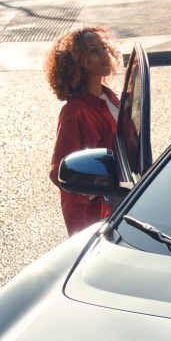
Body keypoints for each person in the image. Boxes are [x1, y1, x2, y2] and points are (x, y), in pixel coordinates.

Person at [44, 24, 129, 235]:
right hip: (97, 216)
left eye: (102, 47)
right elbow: (59, 172)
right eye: (93, 51)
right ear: (79, 62)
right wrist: (95, 190)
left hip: (123, 200)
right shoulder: (75, 111)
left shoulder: (110, 97)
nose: (103, 54)